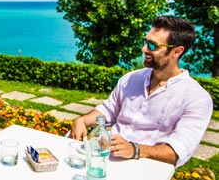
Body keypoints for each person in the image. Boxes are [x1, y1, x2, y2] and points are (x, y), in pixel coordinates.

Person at [70, 16, 213, 167]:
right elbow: (108, 110)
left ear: (177, 51)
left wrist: (135, 149)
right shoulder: (130, 79)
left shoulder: (197, 98)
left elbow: (178, 152)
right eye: (146, 42)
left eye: (152, 45)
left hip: (146, 171)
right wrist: (82, 121)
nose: (144, 49)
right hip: (101, 161)